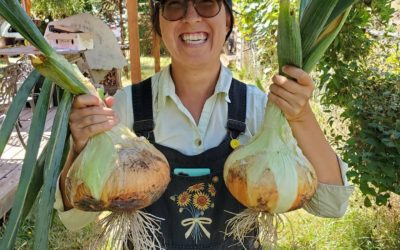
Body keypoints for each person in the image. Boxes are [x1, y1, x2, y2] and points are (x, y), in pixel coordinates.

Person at [54, 0, 354, 249]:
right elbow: (74, 218)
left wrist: (301, 117)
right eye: (174, 6)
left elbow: (330, 205)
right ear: (159, 26)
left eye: (207, 4)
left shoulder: (259, 108)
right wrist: (80, 147)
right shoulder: (124, 107)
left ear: (227, 22)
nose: (191, 17)